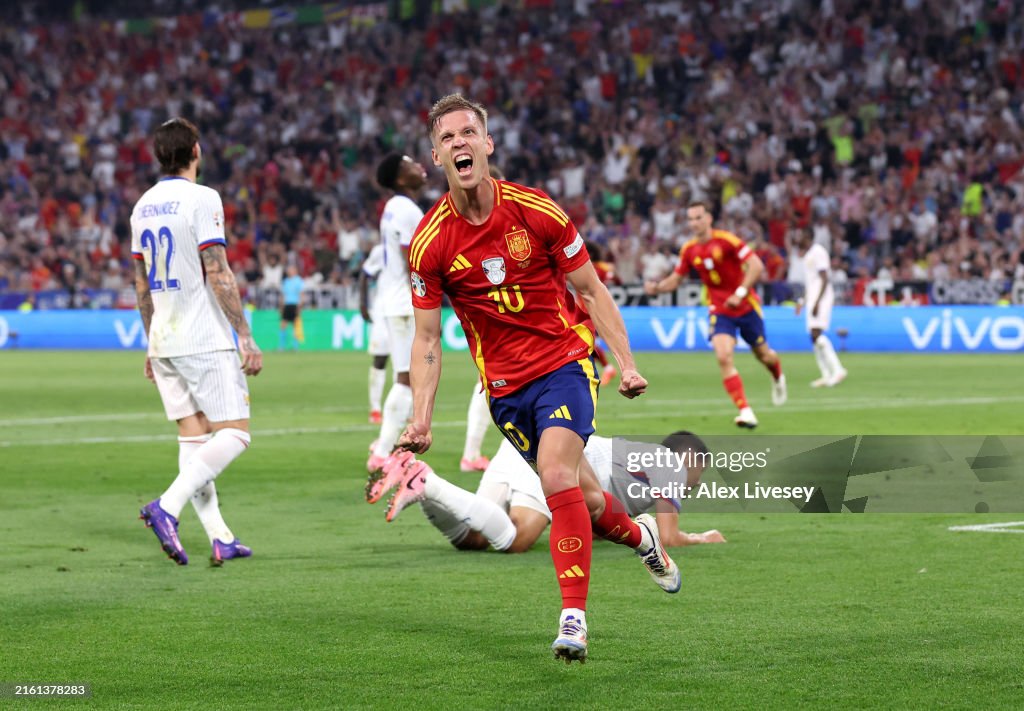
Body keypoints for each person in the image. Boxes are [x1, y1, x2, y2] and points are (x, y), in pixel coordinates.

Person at [395, 94, 672, 665]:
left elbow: (591, 291)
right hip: (505, 392)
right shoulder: (430, 242)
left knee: (553, 477)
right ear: (436, 155)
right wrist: (421, 418)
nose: (460, 143)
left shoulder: (537, 211)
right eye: (448, 138)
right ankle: (644, 537)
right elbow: (426, 340)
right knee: (589, 501)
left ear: (488, 143)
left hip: (566, 365)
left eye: (469, 132)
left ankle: (574, 619)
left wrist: (626, 363)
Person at [131, 117, 262, 566]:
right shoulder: (203, 198)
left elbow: (141, 284)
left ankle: (220, 536)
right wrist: (244, 334)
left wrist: (151, 342)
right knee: (236, 434)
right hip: (203, 337)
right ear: (196, 152)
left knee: (193, 437)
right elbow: (218, 270)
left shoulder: (142, 206)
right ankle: (166, 507)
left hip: (165, 337)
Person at [371, 432, 726, 553]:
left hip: (522, 444)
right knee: (517, 538)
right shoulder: (673, 465)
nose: (695, 481)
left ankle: (423, 488)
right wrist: (701, 538)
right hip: (557, 459)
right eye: (700, 470)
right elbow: (669, 537)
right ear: (691, 458)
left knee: (472, 537)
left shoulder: (645, 465)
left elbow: (599, 522)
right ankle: (427, 481)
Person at [645, 201, 786, 429]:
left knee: (764, 355)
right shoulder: (689, 249)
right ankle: (745, 410)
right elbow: (676, 279)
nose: (694, 223)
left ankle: (777, 375)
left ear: (709, 218)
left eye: (698, 217)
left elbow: (756, 266)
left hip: (746, 306)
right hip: (720, 310)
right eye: (690, 219)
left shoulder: (727, 240)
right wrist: (658, 287)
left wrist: (740, 293)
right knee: (723, 356)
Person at [365, 153, 428, 473]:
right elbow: (411, 259)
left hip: (394, 300)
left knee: (407, 375)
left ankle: (386, 444)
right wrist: (427, 297)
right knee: (407, 377)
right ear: (401, 179)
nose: (419, 165)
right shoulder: (406, 210)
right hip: (405, 302)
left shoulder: (392, 207)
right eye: (409, 165)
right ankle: (384, 451)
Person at [794, 230, 847, 387]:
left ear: (808, 236)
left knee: (817, 334)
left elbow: (824, 277)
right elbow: (810, 282)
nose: (798, 238)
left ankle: (838, 370)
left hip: (821, 297)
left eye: (800, 235)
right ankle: (825, 374)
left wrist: (818, 301)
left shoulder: (818, 252)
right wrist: (802, 301)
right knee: (813, 336)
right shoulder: (808, 254)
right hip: (812, 297)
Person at [358, 244, 390, 425]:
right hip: (383, 310)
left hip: (410, 308)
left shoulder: (421, 245)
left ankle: (408, 408)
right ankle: (376, 408)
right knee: (380, 358)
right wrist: (362, 303)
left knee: (410, 363)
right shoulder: (382, 250)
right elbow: (364, 274)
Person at [279, 263, 304, 351]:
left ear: (295, 271)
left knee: (295, 326)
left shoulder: (298, 280)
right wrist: (281, 306)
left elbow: (301, 295)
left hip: (294, 305)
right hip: (287, 305)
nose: (289, 271)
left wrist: (300, 306)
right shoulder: (286, 281)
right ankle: (282, 346)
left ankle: (295, 346)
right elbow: (283, 295)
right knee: (283, 325)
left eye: (291, 269)